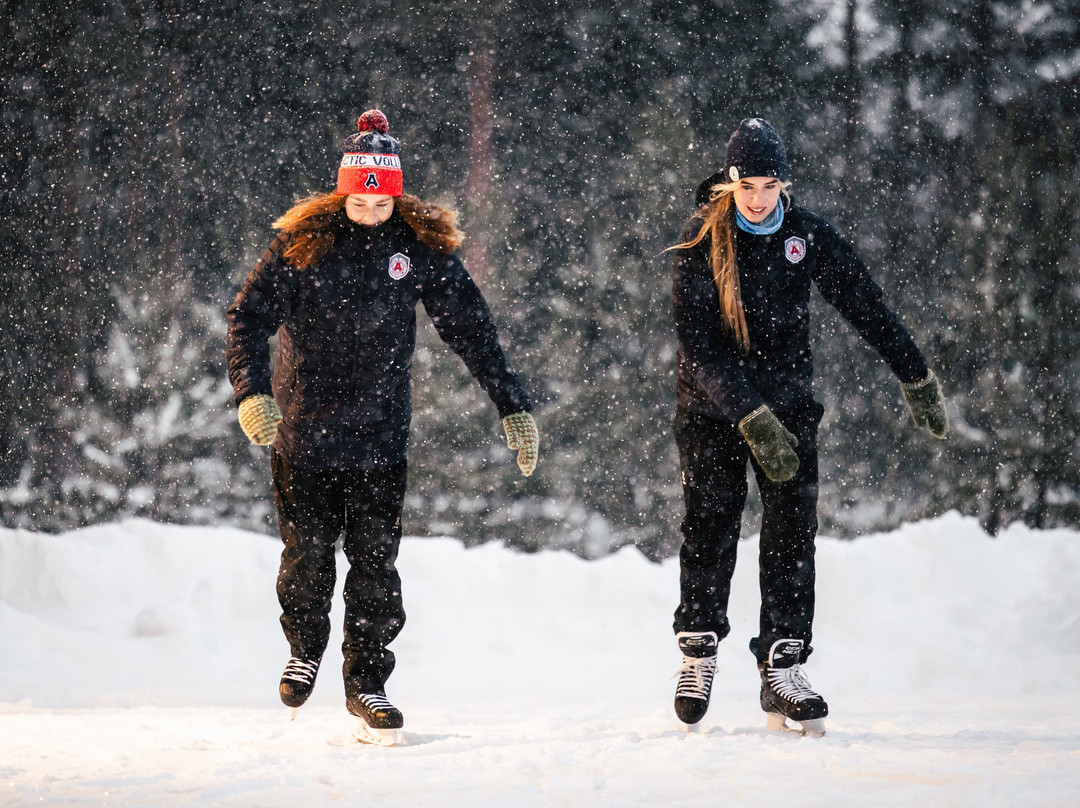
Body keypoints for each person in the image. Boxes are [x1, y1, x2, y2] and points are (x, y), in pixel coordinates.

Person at [225, 110, 539, 744]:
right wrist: (251, 392)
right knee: (308, 556)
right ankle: (304, 648)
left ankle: (368, 683)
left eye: (381, 195)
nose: (370, 205)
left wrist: (512, 402)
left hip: (379, 437)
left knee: (375, 566)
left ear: (395, 193)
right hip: (305, 434)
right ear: (344, 188)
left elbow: (471, 329)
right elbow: (247, 318)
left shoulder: (417, 250)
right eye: (360, 193)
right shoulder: (302, 245)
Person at [668, 118, 948, 735]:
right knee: (711, 523)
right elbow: (698, 347)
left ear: (783, 183)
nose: (761, 198)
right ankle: (698, 649)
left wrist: (914, 374)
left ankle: (783, 665)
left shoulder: (805, 237)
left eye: (771, 185)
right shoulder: (699, 241)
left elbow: (865, 304)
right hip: (713, 409)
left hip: (789, 406)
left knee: (793, 532)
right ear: (730, 183)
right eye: (749, 187)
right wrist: (747, 414)